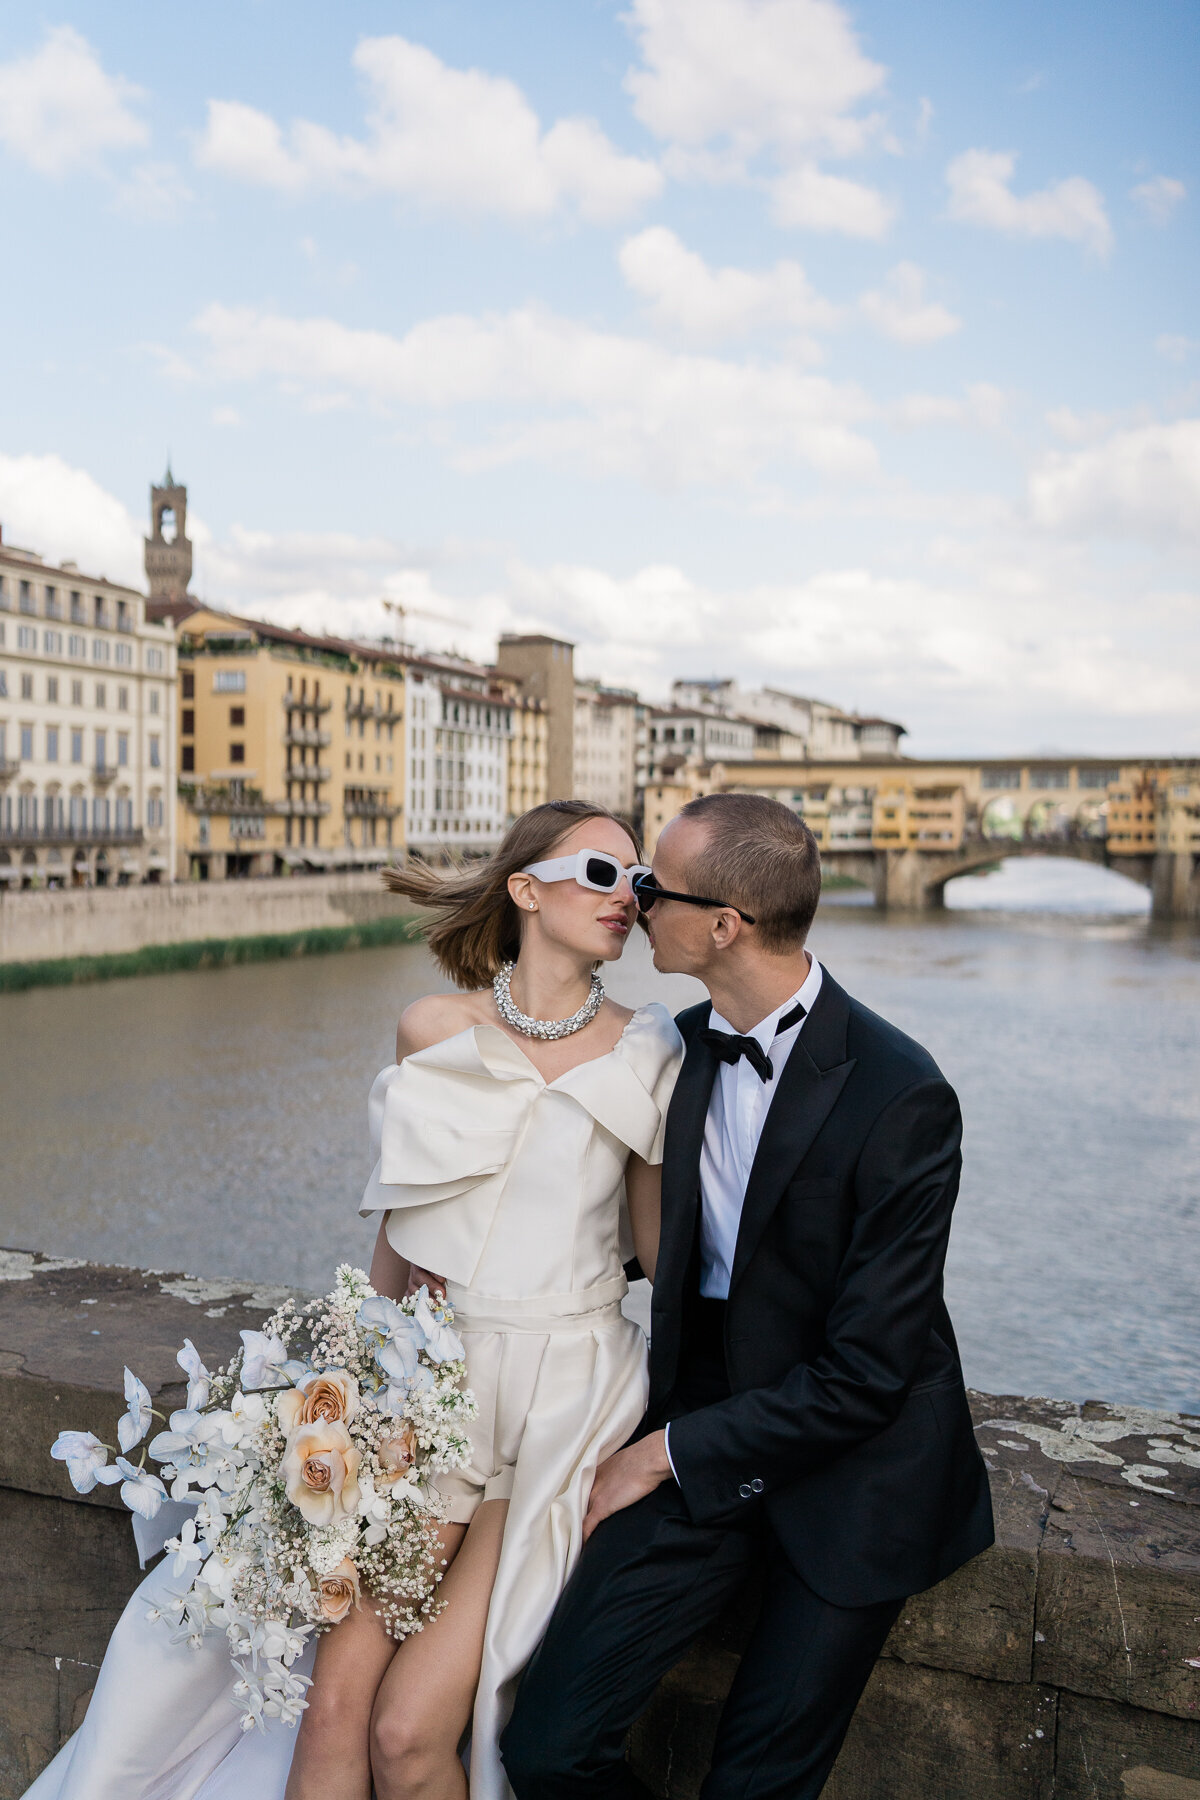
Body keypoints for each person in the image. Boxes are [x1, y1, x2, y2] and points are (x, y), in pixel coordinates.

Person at [25, 799, 682, 1800]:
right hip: (427, 1399)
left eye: (637, 884)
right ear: (524, 889)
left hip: (563, 1406)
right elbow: (398, 1238)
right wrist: (338, 1397)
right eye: (602, 873)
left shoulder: (654, 1048)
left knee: (411, 1736)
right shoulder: (431, 1028)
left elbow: (663, 1259)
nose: (626, 900)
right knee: (330, 1711)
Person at [501, 793, 995, 1800]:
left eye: (653, 886)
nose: (634, 901)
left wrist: (666, 1453)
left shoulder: (903, 1094)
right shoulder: (671, 1050)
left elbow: (869, 1374)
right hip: (706, 1412)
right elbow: (608, 1227)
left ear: (723, 925)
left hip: (857, 1467)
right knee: (544, 1749)